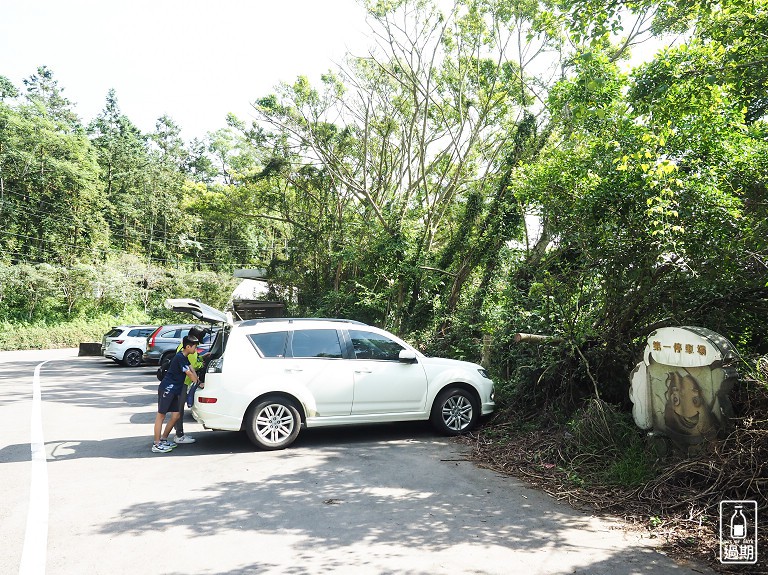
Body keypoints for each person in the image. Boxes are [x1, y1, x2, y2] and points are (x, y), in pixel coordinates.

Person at [152, 335, 200, 453]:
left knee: (176, 416)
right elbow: (188, 373)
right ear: (188, 347)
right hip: (167, 389)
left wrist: (198, 380)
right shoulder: (179, 357)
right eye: (195, 347)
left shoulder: (185, 357)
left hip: (176, 390)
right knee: (161, 415)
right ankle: (156, 444)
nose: (196, 350)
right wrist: (197, 383)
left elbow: (191, 368)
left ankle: (163, 439)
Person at [171, 326, 207, 444]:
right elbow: (192, 367)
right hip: (181, 382)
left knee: (178, 409)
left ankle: (179, 433)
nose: (196, 347)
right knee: (178, 410)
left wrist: (202, 357)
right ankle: (179, 435)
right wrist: (198, 381)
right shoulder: (188, 351)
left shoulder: (182, 346)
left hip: (180, 382)